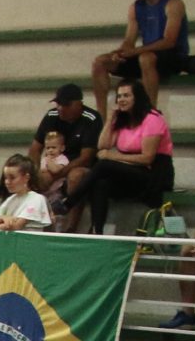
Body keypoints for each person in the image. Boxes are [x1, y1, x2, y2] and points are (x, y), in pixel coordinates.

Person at [92, 0, 195, 107]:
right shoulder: (135, 8)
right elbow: (129, 40)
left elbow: (169, 41)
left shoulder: (173, 3)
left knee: (146, 58)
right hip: (147, 56)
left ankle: (150, 113)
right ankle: (101, 118)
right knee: (101, 62)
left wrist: (135, 51)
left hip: (173, 57)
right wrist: (120, 53)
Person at [75, 80, 175, 235]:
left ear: (138, 97)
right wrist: (109, 120)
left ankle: (69, 202)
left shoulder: (152, 118)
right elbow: (102, 145)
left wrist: (112, 156)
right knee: (100, 182)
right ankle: (97, 231)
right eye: (119, 96)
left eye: (126, 95)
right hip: (131, 173)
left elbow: (147, 158)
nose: (121, 99)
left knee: (104, 164)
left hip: (154, 174)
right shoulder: (123, 119)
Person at [31, 82, 104, 230]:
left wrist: (57, 174)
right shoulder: (51, 116)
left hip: (79, 166)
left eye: (65, 105)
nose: (60, 109)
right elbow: (35, 149)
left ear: (79, 104)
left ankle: (71, 228)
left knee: (75, 177)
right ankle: (38, 224)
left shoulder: (91, 119)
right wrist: (35, 171)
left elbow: (86, 157)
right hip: (52, 164)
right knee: (32, 175)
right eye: (58, 104)